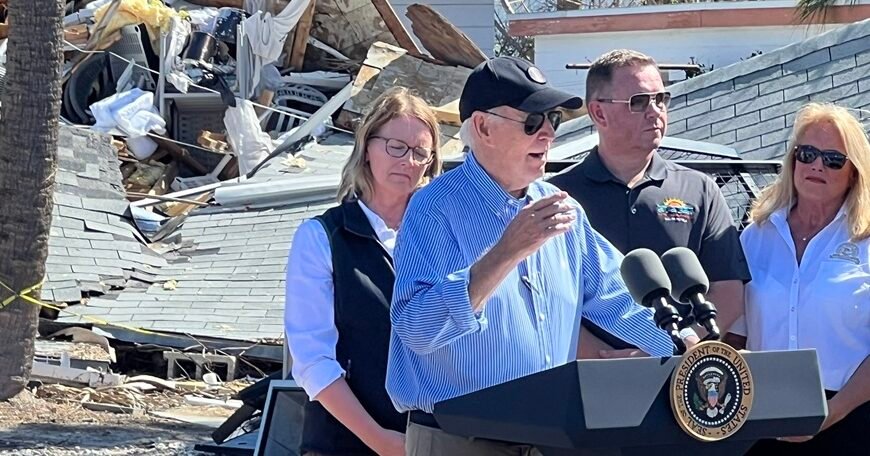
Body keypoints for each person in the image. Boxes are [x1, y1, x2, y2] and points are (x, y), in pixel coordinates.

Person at [386, 56, 678, 455]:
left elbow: (621, 300)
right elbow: (416, 328)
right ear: (483, 127)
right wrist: (505, 253)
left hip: (548, 437)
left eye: (552, 120)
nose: (547, 135)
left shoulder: (562, 209)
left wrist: (688, 345)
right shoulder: (433, 209)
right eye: (531, 122)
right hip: (459, 437)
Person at [548, 50, 750, 355]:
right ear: (599, 113)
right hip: (581, 380)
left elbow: (729, 290)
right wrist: (601, 358)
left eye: (661, 99)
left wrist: (679, 347)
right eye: (639, 102)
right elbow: (544, 298)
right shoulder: (557, 196)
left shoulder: (700, 189)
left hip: (680, 378)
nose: (655, 111)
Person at [284, 87, 443, 456]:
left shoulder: (443, 240)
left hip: (434, 439)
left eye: (420, 152)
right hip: (345, 444)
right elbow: (313, 363)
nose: (408, 160)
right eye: (396, 147)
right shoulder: (322, 237)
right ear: (367, 147)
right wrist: (380, 440)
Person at [733, 103, 869, 455]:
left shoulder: (867, 240)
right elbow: (735, 330)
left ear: (854, 172)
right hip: (760, 416)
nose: (816, 165)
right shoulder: (755, 235)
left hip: (851, 418)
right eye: (806, 153)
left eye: (833, 159)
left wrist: (831, 413)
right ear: (793, 161)